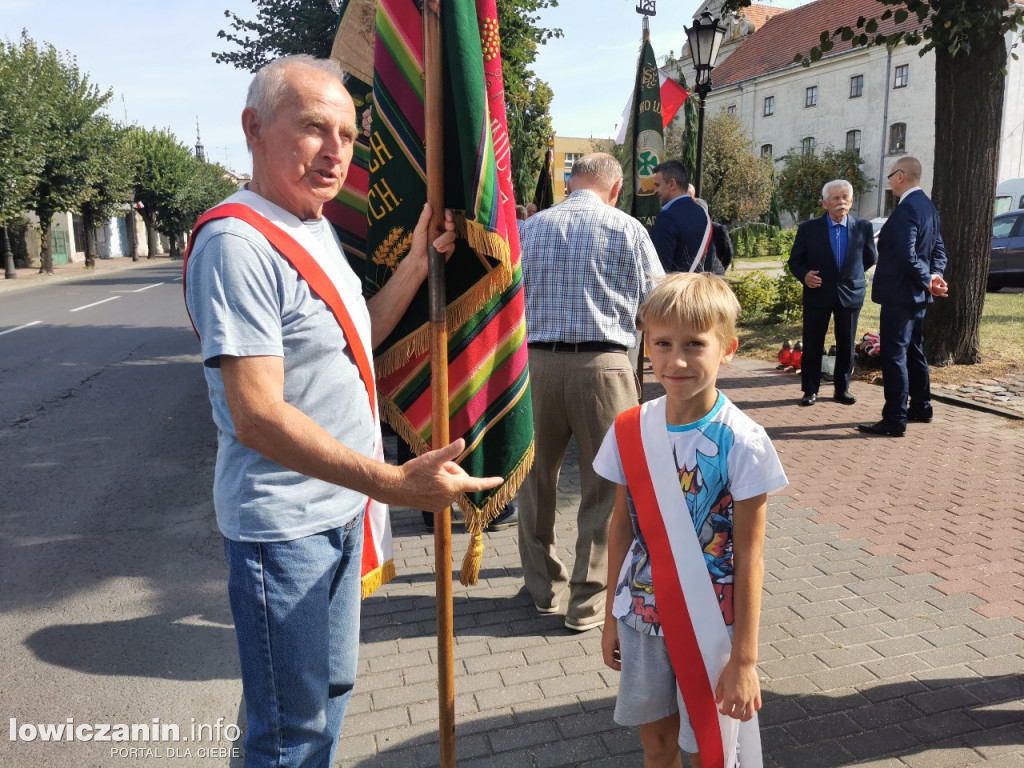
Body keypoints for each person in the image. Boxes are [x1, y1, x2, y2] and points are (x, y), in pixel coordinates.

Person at [183, 55, 501, 766]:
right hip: (284, 529)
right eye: (314, 129)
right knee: (286, 733)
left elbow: (357, 337)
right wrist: (391, 482)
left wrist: (416, 264)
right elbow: (256, 416)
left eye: (349, 136)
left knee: (328, 698)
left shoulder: (311, 225)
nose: (335, 153)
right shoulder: (239, 242)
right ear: (254, 129)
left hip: (336, 510)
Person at [595, 272, 788, 768]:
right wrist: (610, 617)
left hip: (712, 625)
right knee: (656, 745)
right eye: (662, 343)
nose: (676, 360)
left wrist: (745, 659)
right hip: (642, 613)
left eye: (694, 344)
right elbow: (622, 526)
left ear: (727, 348)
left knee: (708, 746)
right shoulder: (628, 429)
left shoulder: (743, 441)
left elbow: (750, 555)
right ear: (646, 345)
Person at [519, 152, 664, 632]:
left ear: (568, 183)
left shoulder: (532, 227)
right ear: (616, 187)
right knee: (606, 486)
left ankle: (542, 589)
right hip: (605, 367)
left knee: (535, 480)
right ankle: (586, 602)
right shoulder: (628, 229)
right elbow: (656, 304)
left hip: (536, 364)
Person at [859, 157, 948, 437]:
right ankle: (922, 406)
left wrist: (928, 279)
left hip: (900, 294)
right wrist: (934, 276)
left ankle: (895, 417)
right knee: (913, 351)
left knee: (894, 355)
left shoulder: (907, 209)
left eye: (889, 176)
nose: (888, 181)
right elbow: (938, 251)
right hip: (918, 296)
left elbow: (906, 255)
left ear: (900, 176)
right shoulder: (928, 207)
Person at [787, 179, 877, 407]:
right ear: (825, 203)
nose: (841, 202)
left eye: (845, 198)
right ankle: (810, 390)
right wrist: (805, 275)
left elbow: (869, 258)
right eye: (836, 198)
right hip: (817, 293)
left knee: (846, 344)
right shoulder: (809, 229)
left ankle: (842, 388)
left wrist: (850, 275)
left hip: (850, 293)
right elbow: (795, 261)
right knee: (813, 343)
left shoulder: (864, 227)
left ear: (852, 201)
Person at [651, 160, 713, 273]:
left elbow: (659, 269)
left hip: (677, 289)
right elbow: (709, 262)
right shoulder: (703, 214)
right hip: (702, 288)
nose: (655, 191)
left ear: (672, 184)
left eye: (657, 185)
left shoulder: (667, 217)